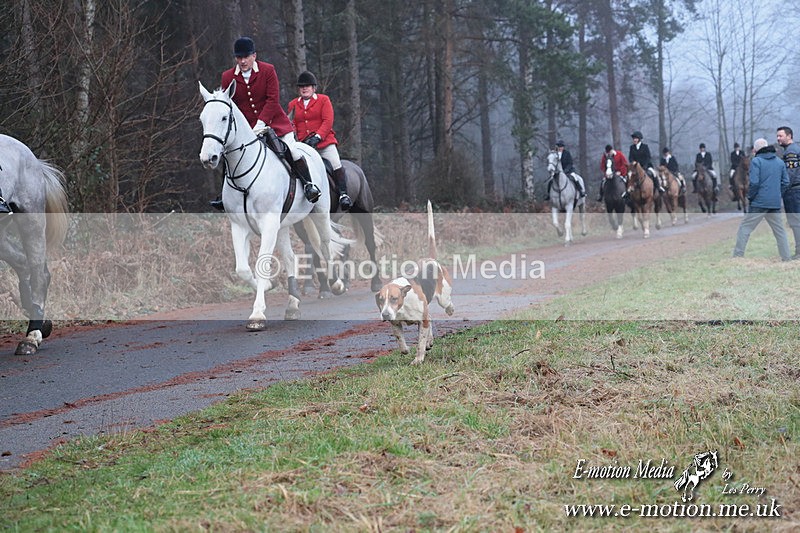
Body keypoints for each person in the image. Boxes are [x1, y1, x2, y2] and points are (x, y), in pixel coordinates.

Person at [210, 36, 321, 211]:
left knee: (292, 150)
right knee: (229, 154)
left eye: (246, 57)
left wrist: (261, 123)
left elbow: (272, 100)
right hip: (246, 129)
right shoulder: (227, 76)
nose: (243, 61)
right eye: (239, 58)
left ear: (254, 56)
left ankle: (309, 185)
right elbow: (228, 105)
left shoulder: (268, 70)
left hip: (274, 123)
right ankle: (224, 196)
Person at [287, 71, 351, 210]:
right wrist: (296, 140)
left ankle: (343, 194)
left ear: (314, 88)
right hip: (304, 145)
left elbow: (328, 121)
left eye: (308, 86)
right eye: (302, 86)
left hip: (324, 143)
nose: (304, 88)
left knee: (335, 163)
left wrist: (317, 137)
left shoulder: (323, 100)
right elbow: (293, 124)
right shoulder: (293, 104)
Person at [732, 138, 791, 261]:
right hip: (774, 203)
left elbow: (754, 183)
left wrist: (751, 197)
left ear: (756, 150)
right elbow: (786, 182)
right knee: (780, 232)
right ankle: (786, 258)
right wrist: (777, 194)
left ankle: (737, 256)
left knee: (745, 228)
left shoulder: (756, 161)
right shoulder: (780, 162)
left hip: (759, 203)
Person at [777, 126, 800, 259]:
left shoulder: (791, 152)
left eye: (781, 136)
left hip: (793, 191)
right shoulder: (791, 150)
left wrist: (782, 189)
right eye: (778, 136)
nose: (778, 138)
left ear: (789, 136)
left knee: (795, 221)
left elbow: (790, 174)